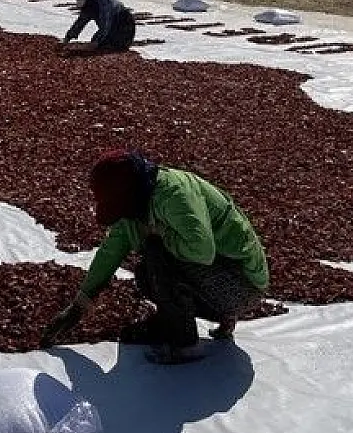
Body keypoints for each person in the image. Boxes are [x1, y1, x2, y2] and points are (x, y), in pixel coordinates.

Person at [41, 151, 269, 364]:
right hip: (218, 283)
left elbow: (202, 250)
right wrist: (80, 304)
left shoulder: (173, 195)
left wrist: (160, 236)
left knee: (155, 252)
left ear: (131, 194)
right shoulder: (134, 206)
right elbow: (109, 253)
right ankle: (171, 324)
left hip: (243, 286)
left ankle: (185, 345)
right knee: (145, 272)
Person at [60, 0, 136, 54]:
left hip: (125, 27)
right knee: (100, 43)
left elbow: (106, 26)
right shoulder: (89, 5)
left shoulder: (104, 4)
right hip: (111, 27)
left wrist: (95, 42)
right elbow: (80, 22)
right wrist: (68, 37)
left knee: (110, 46)